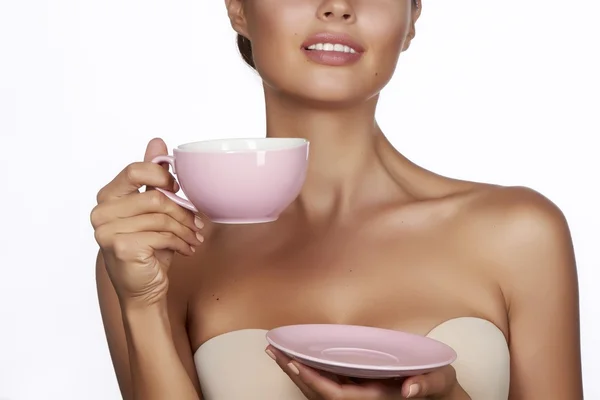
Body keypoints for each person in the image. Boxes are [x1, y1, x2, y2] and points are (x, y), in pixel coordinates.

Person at [90, 0, 584, 399]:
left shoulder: (520, 234)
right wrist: (141, 304)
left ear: (412, 18)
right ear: (238, 8)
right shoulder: (158, 251)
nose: (338, 6)